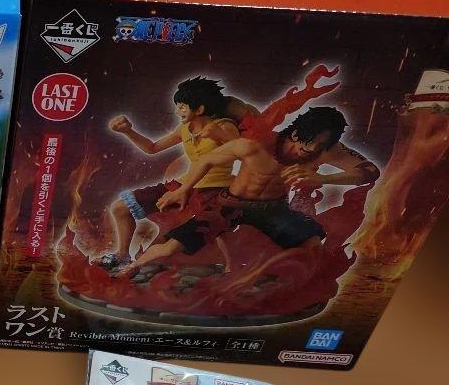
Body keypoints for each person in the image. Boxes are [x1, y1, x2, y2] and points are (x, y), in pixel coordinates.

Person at [126, 105, 376, 275]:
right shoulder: (257, 144)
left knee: (312, 246)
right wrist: (184, 189)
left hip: (273, 209)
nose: (311, 151)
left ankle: (285, 290)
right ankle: (129, 270)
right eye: (309, 143)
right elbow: (208, 160)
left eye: (320, 146)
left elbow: (369, 171)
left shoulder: (326, 150)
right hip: (231, 204)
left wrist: (324, 178)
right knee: (171, 247)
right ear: (296, 133)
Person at [100, 77, 251, 271]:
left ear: (200, 109)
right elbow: (152, 148)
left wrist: (219, 136)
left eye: (182, 107)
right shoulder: (185, 129)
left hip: (215, 190)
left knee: (216, 227)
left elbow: (245, 153)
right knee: (121, 207)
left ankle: (232, 268)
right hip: (183, 185)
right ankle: (122, 256)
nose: (177, 112)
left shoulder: (224, 126)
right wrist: (128, 131)